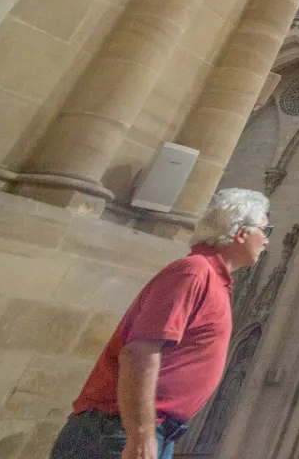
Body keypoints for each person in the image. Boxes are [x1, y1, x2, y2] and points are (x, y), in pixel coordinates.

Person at [51, 189, 271, 459]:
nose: (266, 240)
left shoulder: (213, 278)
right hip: (118, 428)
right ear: (242, 233)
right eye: (264, 230)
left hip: (152, 429)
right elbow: (140, 352)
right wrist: (140, 435)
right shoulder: (194, 272)